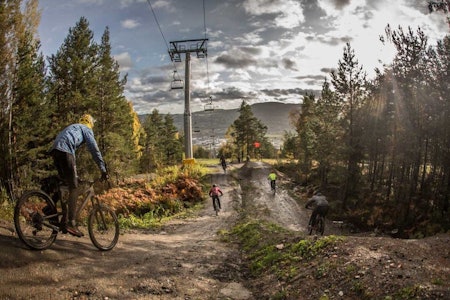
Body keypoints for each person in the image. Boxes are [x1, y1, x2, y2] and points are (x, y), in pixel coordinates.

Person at [50, 114, 108, 237]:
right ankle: (71, 223)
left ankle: (49, 208)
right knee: (74, 188)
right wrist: (103, 169)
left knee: (66, 185)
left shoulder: (73, 127)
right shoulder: (86, 129)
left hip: (56, 151)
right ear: (90, 123)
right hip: (65, 151)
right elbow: (94, 150)